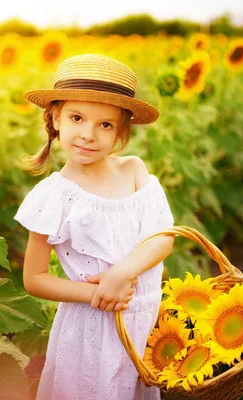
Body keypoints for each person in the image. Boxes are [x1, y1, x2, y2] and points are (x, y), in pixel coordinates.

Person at [14, 53, 175, 400]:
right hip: (91, 328)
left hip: (144, 322)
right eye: (77, 118)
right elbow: (34, 278)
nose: (88, 135)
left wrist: (122, 273)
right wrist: (97, 294)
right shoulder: (54, 196)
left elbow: (163, 239)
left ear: (120, 130)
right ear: (56, 117)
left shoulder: (133, 170)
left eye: (105, 124)